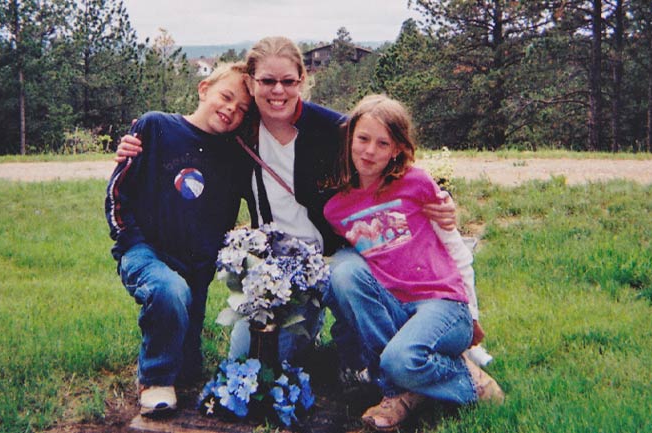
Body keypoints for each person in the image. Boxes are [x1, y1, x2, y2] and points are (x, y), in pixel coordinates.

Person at [113, 36, 457, 370]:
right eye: (267, 81)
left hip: (331, 256)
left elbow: (387, 158)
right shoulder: (239, 132)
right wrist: (138, 141)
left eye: (287, 81)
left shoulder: (334, 130)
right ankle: (314, 326)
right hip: (276, 266)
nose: (278, 91)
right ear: (252, 82)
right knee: (251, 362)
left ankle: (375, 359)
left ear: (301, 81)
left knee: (346, 277)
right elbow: (192, 137)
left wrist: (441, 197)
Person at [322, 94, 504, 431]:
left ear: (397, 149)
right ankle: (403, 390)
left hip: (442, 306)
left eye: (382, 143)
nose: (369, 151)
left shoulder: (416, 183)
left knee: (399, 359)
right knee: (342, 272)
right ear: (350, 140)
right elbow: (356, 287)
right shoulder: (337, 210)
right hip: (395, 306)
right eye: (362, 139)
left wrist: (473, 315)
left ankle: (466, 380)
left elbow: (457, 248)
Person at [104, 62, 252, 416]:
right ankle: (153, 380)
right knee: (169, 292)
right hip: (144, 252)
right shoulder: (155, 126)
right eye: (225, 96)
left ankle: (174, 365)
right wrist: (129, 239)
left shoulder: (235, 153)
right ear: (203, 89)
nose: (231, 109)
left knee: (188, 368)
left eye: (242, 109)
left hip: (195, 267)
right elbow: (117, 192)